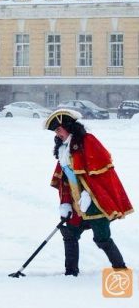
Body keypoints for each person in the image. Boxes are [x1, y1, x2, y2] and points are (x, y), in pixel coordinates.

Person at [46, 109, 132, 276]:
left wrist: (87, 194)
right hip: (76, 202)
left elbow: (99, 172)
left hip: (94, 201)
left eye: (58, 130)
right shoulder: (64, 148)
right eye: (55, 131)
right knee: (70, 234)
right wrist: (66, 203)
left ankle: (120, 269)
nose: (57, 134)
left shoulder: (87, 141)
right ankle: (71, 273)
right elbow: (65, 179)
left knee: (102, 238)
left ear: (68, 126)